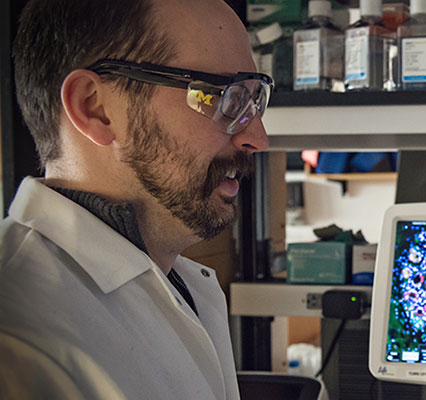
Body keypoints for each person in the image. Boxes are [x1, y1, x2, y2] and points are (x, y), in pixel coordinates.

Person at [0, 0, 270, 398]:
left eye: (253, 98)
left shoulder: (180, 280)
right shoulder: (18, 334)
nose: (258, 138)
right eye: (219, 96)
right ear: (95, 108)